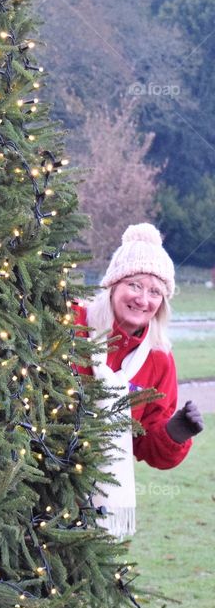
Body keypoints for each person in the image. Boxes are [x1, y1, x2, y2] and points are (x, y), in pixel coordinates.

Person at [72, 223, 203, 538]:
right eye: (134, 285)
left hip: (98, 499)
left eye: (155, 291)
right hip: (37, 474)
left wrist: (175, 432)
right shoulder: (73, 323)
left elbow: (147, 445)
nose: (143, 300)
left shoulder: (159, 360)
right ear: (114, 285)